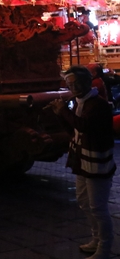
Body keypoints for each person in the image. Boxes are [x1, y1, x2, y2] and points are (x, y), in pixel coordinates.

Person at [49, 66, 116, 258]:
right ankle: (96, 239)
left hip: (97, 163)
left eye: (76, 83)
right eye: (70, 85)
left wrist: (64, 111)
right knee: (84, 202)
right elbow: (74, 131)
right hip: (81, 160)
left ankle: (105, 247)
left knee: (98, 207)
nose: (74, 88)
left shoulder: (98, 105)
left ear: (87, 81)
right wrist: (59, 114)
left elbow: (85, 126)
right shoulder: (79, 102)